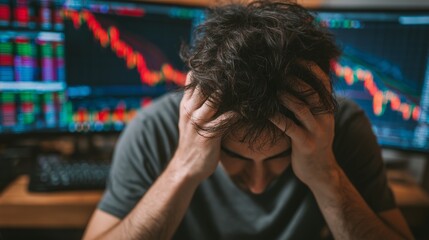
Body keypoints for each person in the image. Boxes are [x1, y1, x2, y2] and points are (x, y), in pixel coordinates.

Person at [83, 1, 414, 239]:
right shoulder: (151, 130)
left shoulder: (343, 128)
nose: (257, 185)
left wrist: (326, 176)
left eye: (278, 158)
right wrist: (182, 169)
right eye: (237, 158)